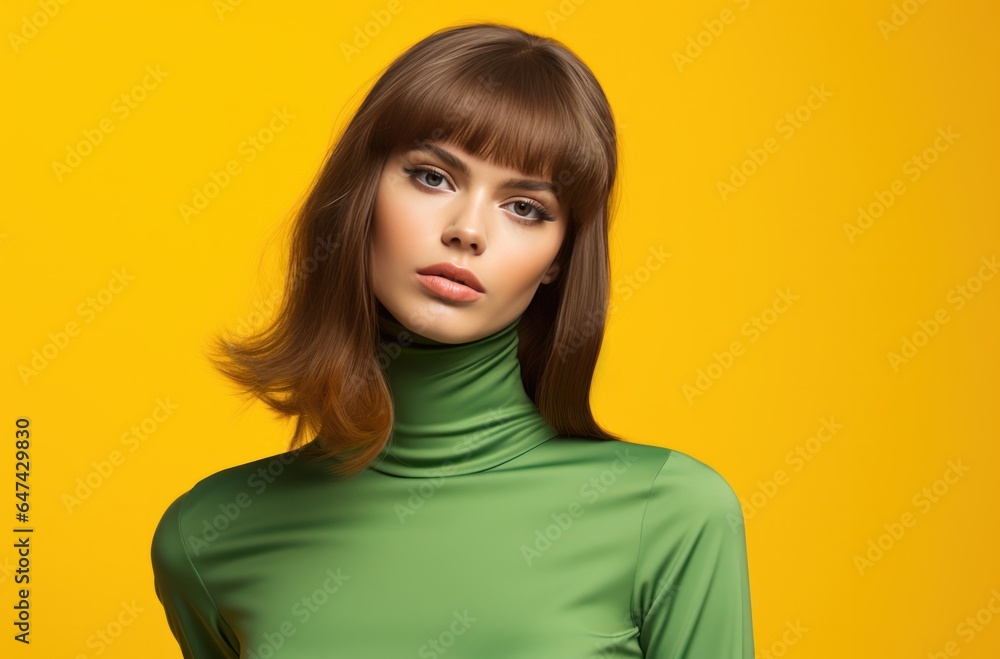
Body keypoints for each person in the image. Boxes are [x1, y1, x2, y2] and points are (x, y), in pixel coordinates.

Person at [151, 21, 755, 658]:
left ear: (558, 257)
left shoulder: (668, 517)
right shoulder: (208, 539)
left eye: (526, 207)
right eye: (433, 177)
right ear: (362, 193)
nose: (468, 231)